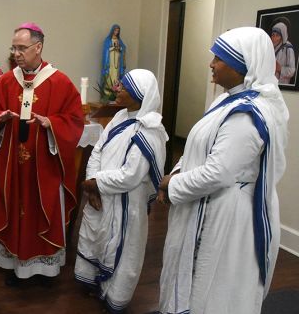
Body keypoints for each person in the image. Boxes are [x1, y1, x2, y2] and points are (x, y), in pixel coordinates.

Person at [157, 27, 289, 314]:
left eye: (219, 58)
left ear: (243, 65)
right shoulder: (226, 100)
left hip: (227, 213)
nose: (211, 64)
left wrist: (171, 185)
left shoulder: (248, 114)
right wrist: (178, 173)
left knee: (214, 285)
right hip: (209, 200)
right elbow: (198, 146)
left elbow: (218, 172)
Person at [0, 22, 85, 285]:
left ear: (38, 47)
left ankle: (46, 270)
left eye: (21, 48)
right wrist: (0, 119)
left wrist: (51, 124)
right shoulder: (6, 81)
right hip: (14, 167)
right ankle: (17, 266)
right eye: (13, 47)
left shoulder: (59, 82)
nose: (16, 53)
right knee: (17, 210)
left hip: (44, 166)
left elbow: (74, 120)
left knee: (43, 209)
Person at [75, 69, 167, 313]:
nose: (118, 90)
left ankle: (114, 297)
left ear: (139, 95)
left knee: (123, 248)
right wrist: (91, 181)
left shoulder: (150, 129)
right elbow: (98, 150)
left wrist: (95, 183)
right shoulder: (119, 117)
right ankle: (94, 282)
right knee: (97, 237)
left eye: (125, 88)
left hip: (127, 201)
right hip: (102, 195)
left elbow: (131, 175)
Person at [100, 24, 126, 102]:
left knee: (116, 76)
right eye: (115, 30)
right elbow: (106, 50)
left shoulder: (119, 41)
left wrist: (120, 48)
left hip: (117, 62)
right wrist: (112, 48)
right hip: (110, 62)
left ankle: (115, 93)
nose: (116, 32)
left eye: (118, 31)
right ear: (112, 31)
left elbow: (123, 48)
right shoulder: (108, 40)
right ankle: (107, 94)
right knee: (109, 76)